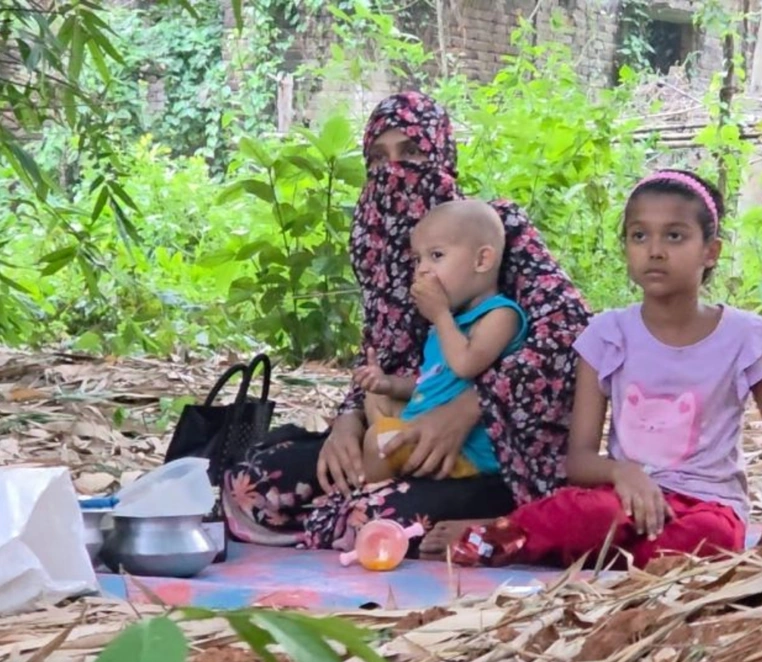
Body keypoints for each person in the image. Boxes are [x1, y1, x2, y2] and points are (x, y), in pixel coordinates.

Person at [221, 91, 590, 554]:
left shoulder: (491, 228)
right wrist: (347, 425)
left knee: (374, 517)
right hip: (400, 437)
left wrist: (470, 408)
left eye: (412, 151)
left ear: (441, 153)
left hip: (492, 454)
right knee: (253, 483)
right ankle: (343, 510)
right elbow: (377, 356)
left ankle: (500, 518)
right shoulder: (382, 249)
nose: (393, 170)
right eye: (378, 157)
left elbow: (570, 330)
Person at [445, 169, 762, 570]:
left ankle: (579, 550)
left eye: (675, 236)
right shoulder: (608, 335)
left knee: (712, 538)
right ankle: (500, 537)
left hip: (705, 507)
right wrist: (624, 472)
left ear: (711, 251)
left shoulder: (743, 338)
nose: (654, 250)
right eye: (639, 236)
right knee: (583, 513)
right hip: (621, 503)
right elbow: (579, 462)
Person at [357, 199, 528, 482]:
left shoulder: (501, 314)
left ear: (482, 260)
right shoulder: (447, 324)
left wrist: (440, 316)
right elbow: (431, 383)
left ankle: (373, 500)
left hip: (469, 455)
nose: (422, 269)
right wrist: (387, 383)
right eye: (417, 259)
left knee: (378, 438)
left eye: (436, 255)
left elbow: (465, 365)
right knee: (377, 398)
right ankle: (400, 471)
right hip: (427, 422)